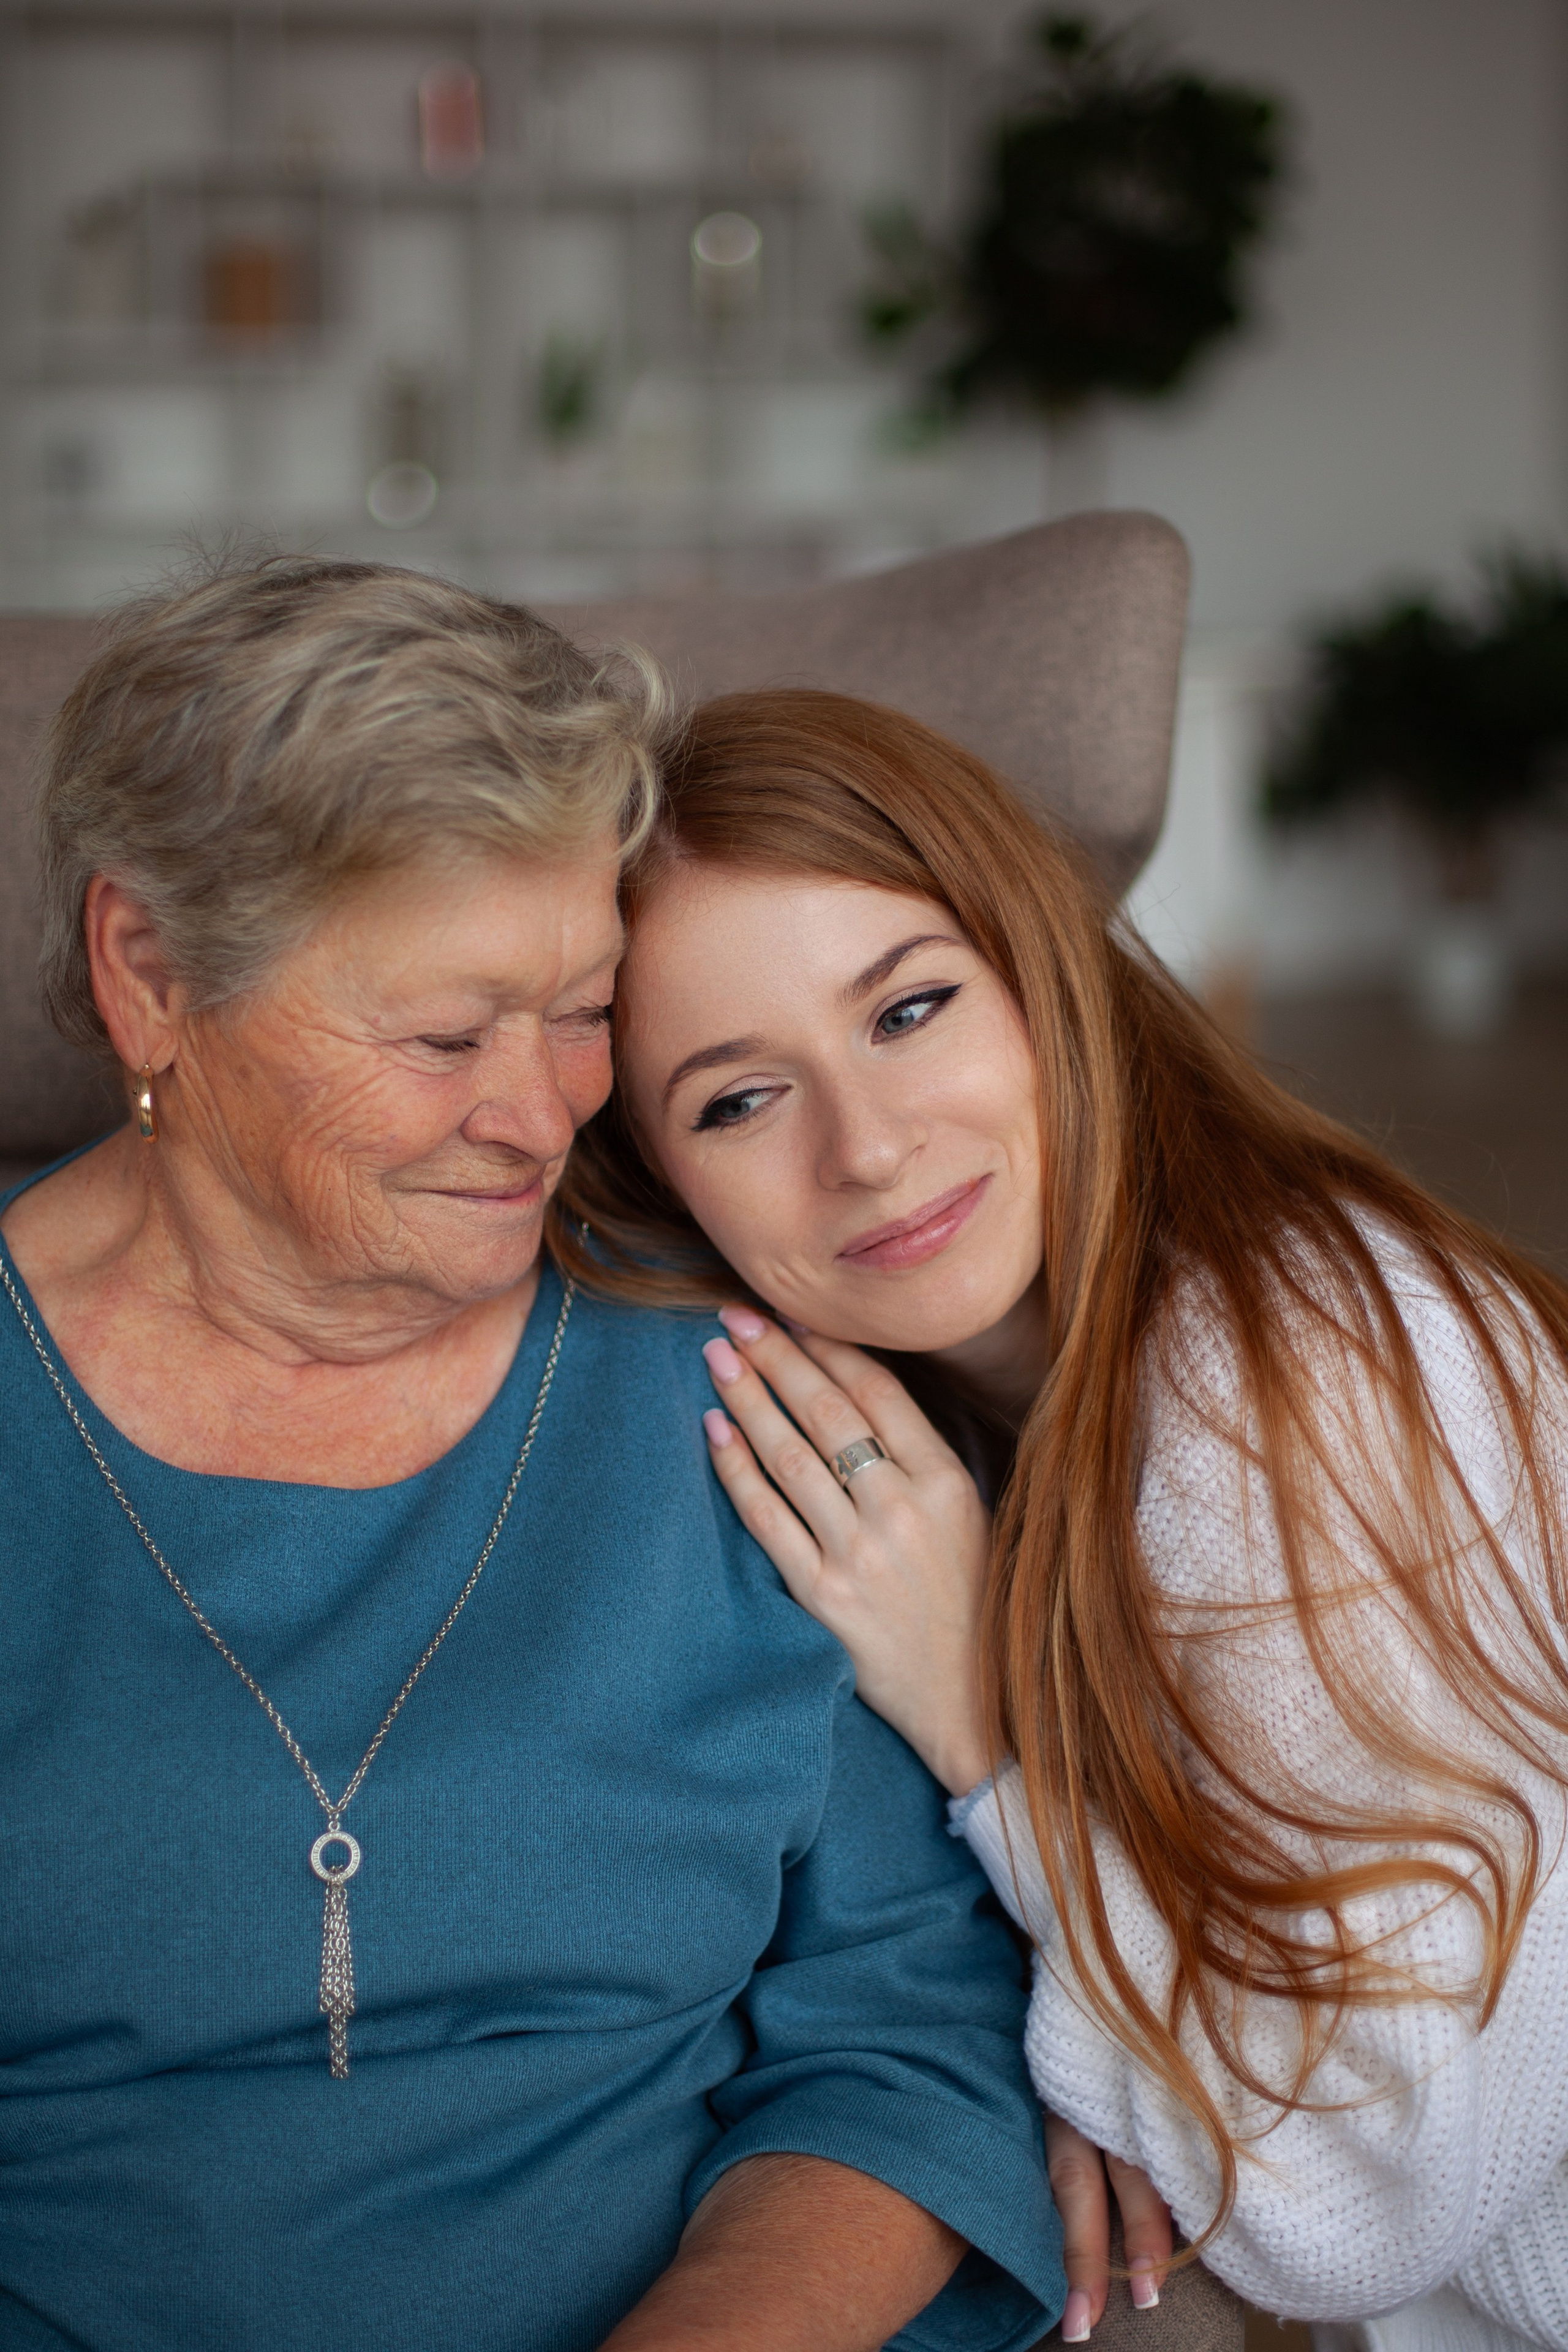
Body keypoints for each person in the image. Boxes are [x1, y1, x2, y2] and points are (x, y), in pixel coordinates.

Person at [0, 570, 1066, 2352]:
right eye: (443, 1036)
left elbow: (909, 2019)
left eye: (582, 1011)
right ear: (153, 975)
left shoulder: (735, 1379)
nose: (540, 1115)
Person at [558, 685, 1568, 2352]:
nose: (869, 1149)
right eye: (738, 1100)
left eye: (909, 1009)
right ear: (659, 1183)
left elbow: (1349, 2206)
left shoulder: (1284, 1373)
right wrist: (1074, 2046)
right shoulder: (977, 1419)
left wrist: (984, 1733)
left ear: (1041, 969)